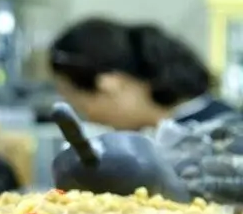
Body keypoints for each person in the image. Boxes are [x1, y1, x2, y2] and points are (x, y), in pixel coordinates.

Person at [49, 17, 233, 131]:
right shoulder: (179, 133)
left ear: (110, 83)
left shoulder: (215, 140)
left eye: (81, 106)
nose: (91, 119)